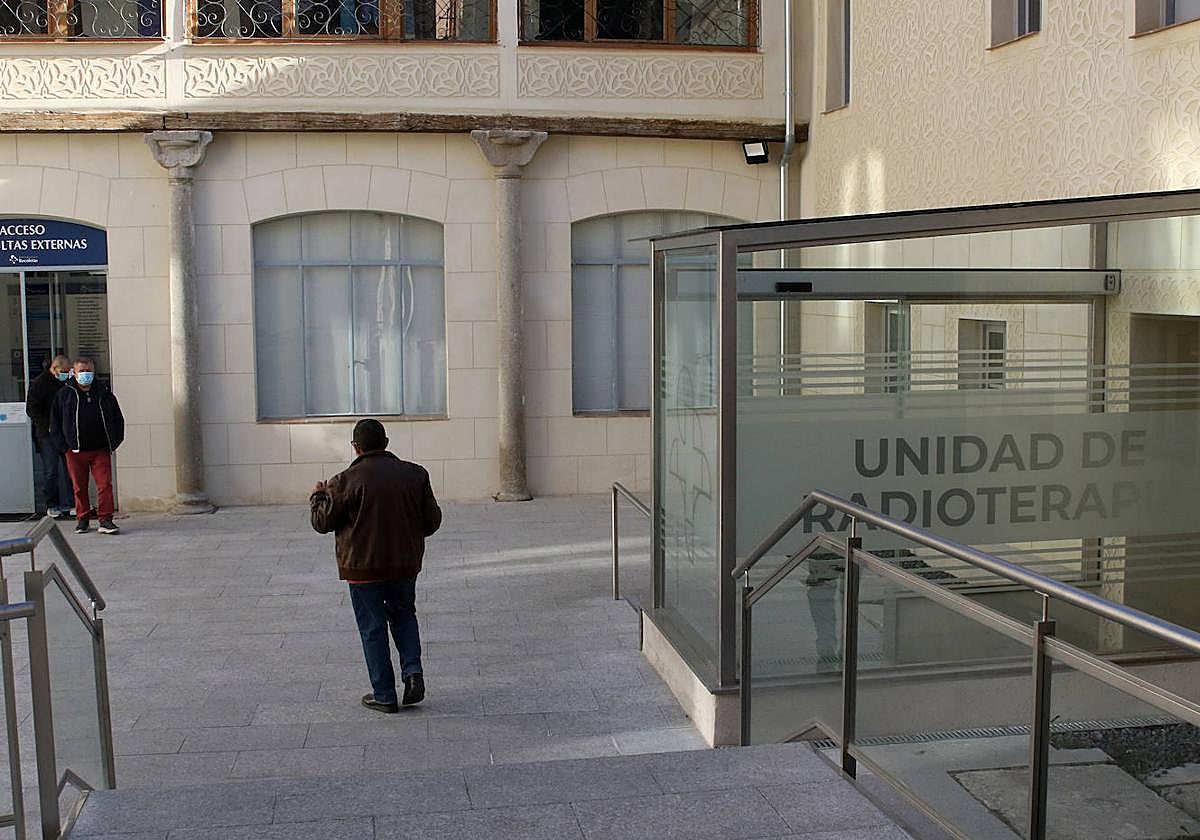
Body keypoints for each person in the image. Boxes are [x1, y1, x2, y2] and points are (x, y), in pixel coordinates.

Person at [310, 418, 441, 713]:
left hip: (362, 569)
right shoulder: (416, 475)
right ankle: (412, 673)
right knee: (405, 615)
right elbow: (432, 521)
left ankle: (384, 694)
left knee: (373, 627)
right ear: (386, 443)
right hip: (404, 564)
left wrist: (318, 496)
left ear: (356, 448)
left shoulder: (342, 481)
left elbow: (321, 523)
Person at [50, 357, 125, 536]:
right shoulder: (64, 394)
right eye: (81, 371)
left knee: (105, 484)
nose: (85, 375)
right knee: (79, 486)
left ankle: (105, 519)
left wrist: (114, 441)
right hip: (75, 450)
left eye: (88, 371)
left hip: (100, 449)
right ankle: (82, 519)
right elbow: (55, 423)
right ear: (74, 373)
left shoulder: (104, 393)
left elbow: (117, 418)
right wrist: (64, 446)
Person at [26, 355, 74, 519]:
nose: (66, 374)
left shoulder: (67, 382)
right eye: (63, 371)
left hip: (64, 432)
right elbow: (32, 409)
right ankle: (52, 504)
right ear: (54, 369)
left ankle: (70, 503)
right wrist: (47, 425)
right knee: (51, 470)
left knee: (70, 469)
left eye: (68, 371)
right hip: (47, 434)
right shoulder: (39, 384)